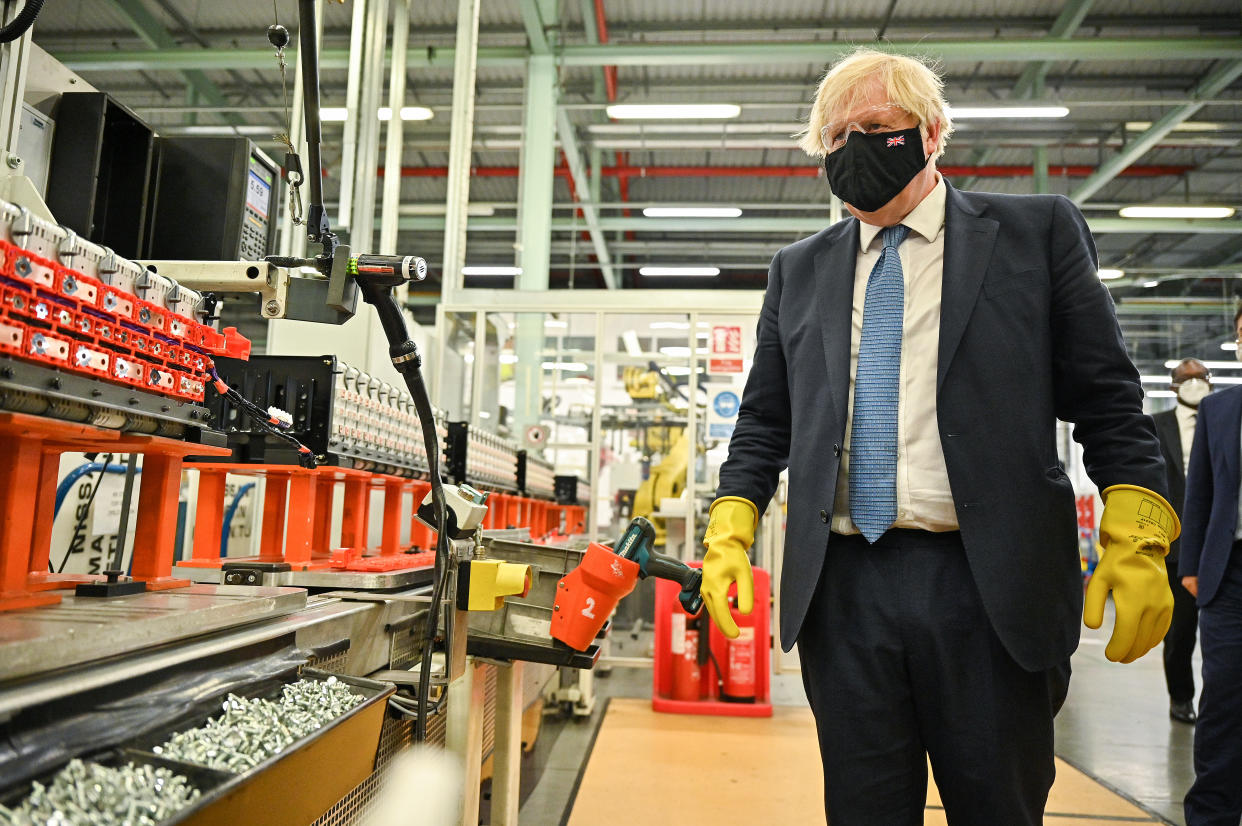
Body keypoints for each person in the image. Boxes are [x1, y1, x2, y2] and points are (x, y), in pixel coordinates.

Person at [698, 47, 1177, 826]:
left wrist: (1142, 529)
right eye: (836, 136)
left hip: (989, 588)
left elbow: (1110, 399)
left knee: (997, 807)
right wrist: (731, 521)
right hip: (844, 590)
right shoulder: (798, 270)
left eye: (876, 126)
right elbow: (765, 421)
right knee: (863, 811)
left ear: (932, 131)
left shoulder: (1036, 235)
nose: (854, 148)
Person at [1179, 309, 1242, 825]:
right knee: (1222, 697)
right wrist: (1192, 565)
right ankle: (1212, 814)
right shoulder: (1220, 411)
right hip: (1230, 575)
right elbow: (1199, 493)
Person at [1153, 358, 1210, 725]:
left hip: (1221, 541)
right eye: (1186, 378)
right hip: (1176, 547)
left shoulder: (1227, 417)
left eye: (1201, 377)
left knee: (1225, 633)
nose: (1195, 383)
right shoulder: (1156, 426)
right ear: (1173, 387)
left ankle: (1221, 703)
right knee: (1179, 634)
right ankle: (1181, 698)